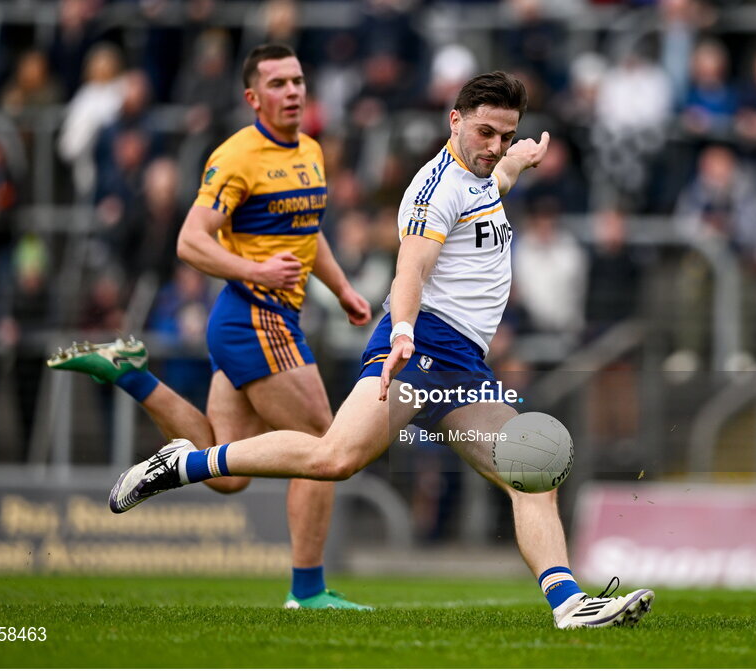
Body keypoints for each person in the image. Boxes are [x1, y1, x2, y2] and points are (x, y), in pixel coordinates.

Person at [107, 71, 655, 630]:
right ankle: (187, 462)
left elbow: (500, 178)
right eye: (487, 133)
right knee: (334, 459)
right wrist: (402, 334)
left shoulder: (486, 172)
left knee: (533, 470)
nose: (496, 147)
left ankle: (568, 605)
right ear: (455, 121)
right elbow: (411, 268)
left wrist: (524, 157)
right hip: (423, 348)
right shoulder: (434, 188)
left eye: (507, 135)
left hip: (463, 365)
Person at [49, 44, 373, 610]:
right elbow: (189, 239)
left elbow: (306, 229)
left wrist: (341, 287)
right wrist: (257, 269)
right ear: (252, 97)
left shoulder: (313, 151)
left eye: (297, 80)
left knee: (228, 473)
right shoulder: (236, 156)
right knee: (326, 447)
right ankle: (308, 593)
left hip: (261, 317)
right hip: (254, 315)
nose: (293, 91)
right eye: (278, 84)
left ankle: (131, 376)